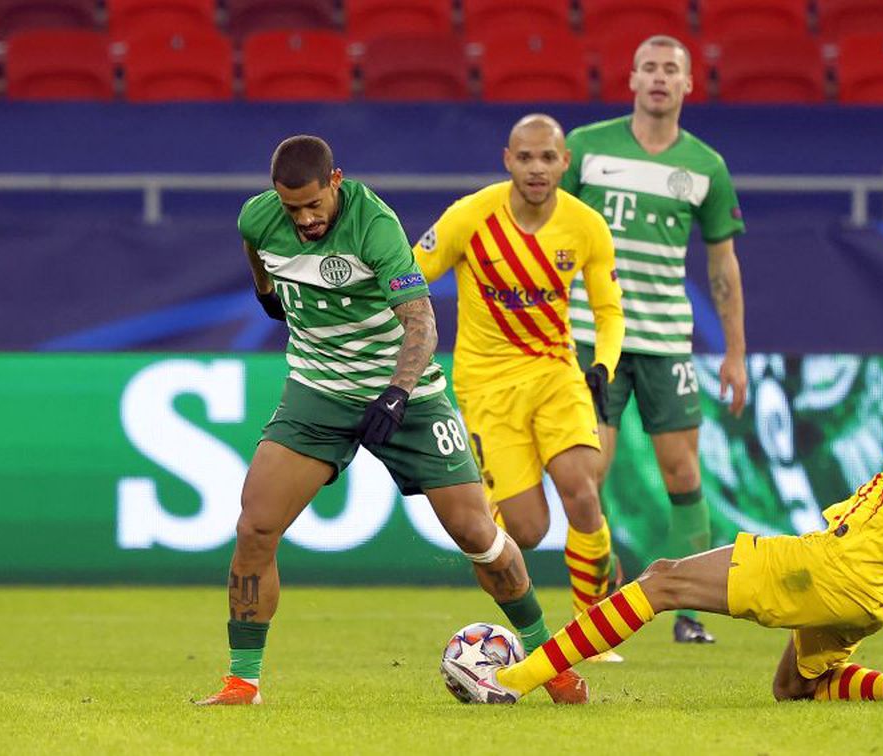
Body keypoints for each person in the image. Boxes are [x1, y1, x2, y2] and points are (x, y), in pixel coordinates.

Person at [444, 219, 883, 707]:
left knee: (662, 580)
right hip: (877, 591)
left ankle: (513, 680)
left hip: (836, 568)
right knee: (794, 687)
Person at [195, 135, 586, 705]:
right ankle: (242, 681)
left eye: (313, 205)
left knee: (476, 534)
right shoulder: (258, 217)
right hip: (318, 390)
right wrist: (265, 292)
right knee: (255, 528)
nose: (304, 219)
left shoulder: (374, 225)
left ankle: (550, 660)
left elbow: (422, 322)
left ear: (335, 182)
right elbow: (256, 247)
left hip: (408, 394)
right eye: (291, 208)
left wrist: (397, 394)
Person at [561, 34, 748, 644]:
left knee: (682, 471)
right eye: (650, 67)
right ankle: (595, 599)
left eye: (671, 69)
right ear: (632, 79)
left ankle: (689, 609)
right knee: (589, 472)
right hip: (593, 335)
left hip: (667, 338)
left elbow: (722, 265)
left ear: (689, 83)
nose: (660, 77)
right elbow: (545, 230)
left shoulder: (705, 166)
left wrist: (735, 352)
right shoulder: (585, 148)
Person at [413, 115, 626, 639]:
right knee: (529, 530)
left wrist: (603, 364)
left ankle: (592, 632)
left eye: (547, 157)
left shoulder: (585, 225)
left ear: (564, 163)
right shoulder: (470, 216)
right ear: (508, 160)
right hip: (487, 386)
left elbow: (609, 311)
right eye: (526, 157)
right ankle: (499, 545)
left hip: (556, 373)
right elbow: (411, 276)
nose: (536, 168)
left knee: (582, 491)